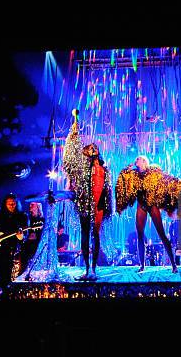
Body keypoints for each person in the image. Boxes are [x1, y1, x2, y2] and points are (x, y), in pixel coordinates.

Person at [115, 155, 181, 273]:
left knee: (162, 234)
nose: (136, 160)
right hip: (141, 205)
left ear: (144, 161)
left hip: (152, 204)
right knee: (140, 234)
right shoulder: (133, 174)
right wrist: (126, 169)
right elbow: (123, 179)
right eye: (135, 159)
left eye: (138, 159)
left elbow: (170, 179)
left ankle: (173, 265)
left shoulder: (153, 172)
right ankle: (142, 266)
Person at [63, 110, 113, 281]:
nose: (92, 148)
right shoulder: (81, 167)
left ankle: (93, 268)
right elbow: (70, 156)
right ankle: (86, 269)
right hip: (84, 205)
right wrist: (75, 127)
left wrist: (105, 206)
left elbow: (107, 191)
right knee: (85, 235)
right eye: (89, 148)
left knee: (96, 235)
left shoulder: (104, 170)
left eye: (95, 148)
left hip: (98, 206)